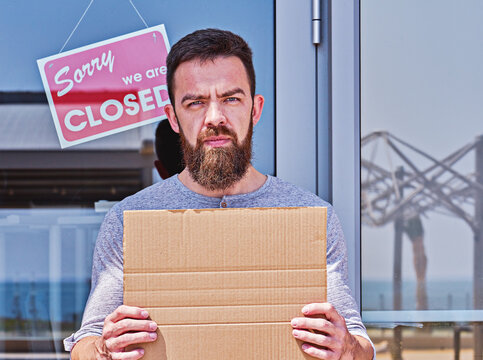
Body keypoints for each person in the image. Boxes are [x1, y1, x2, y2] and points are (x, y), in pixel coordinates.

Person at [65, 28, 375, 360]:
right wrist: (102, 349)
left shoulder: (312, 217)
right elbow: (87, 341)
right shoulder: (130, 222)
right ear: (173, 118)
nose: (215, 117)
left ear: (255, 109)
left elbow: (358, 341)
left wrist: (348, 347)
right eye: (196, 102)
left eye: (231, 99)